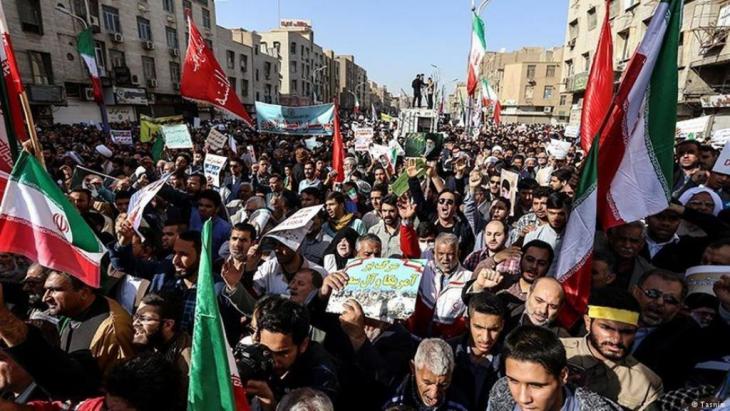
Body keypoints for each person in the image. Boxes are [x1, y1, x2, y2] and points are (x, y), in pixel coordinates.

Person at [0, 273, 134, 399]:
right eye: (46, 289)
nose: (45, 297)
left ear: (84, 292)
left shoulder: (113, 329)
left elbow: (120, 391)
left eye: (55, 290)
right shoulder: (72, 311)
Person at [561, 287, 662, 410]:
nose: (616, 339)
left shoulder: (645, 383)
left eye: (627, 331)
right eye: (607, 328)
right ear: (588, 322)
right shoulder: (556, 352)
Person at [487, 325, 622, 411]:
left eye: (536, 386)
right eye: (514, 381)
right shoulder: (502, 389)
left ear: (563, 376)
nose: (523, 398)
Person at [247, 297, 339, 409]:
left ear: (303, 345)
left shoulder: (321, 375)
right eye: (266, 352)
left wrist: (268, 402)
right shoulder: (254, 354)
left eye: (282, 353)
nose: (274, 361)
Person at [630, 269, 701, 390]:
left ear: (679, 307)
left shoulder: (685, 335)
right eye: (652, 294)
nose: (659, 302)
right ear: (636, 292)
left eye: (670, 300)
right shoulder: (610, 313)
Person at [406, 233, 473, 339]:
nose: (445, 259)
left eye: (450, 254)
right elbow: (409, 251)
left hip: (447, 340)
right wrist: (407, 224)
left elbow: (467, 315)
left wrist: (450, 334)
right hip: (415, 335)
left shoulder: (468, 278)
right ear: (434, 253)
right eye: (441, 253)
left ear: (458, 253)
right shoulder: (425, 267)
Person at [450, 291, 506, 411]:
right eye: (479, 327)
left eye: (494, 329)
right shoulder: (449, 351)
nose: (486, 338)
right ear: (466, 322)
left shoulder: (507, 362)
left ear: (502, 325)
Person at [384, 338, 470, 410]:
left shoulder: (460, 406)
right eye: (427, 383)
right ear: (413, 368)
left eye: (443, 385)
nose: (434, 394)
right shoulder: (391, 402)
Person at [132, 293, 191, 377]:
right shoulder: (150, 342)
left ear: (168, 324)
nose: (135, 323)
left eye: (144, 319)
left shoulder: (188, 360)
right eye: (136, 316)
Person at [501, 277, 568, 337]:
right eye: (539, 301)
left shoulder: (562, 338)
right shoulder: (506, 312)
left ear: (560, 308)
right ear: (529, 294)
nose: (543, 310)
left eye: (552, 306)